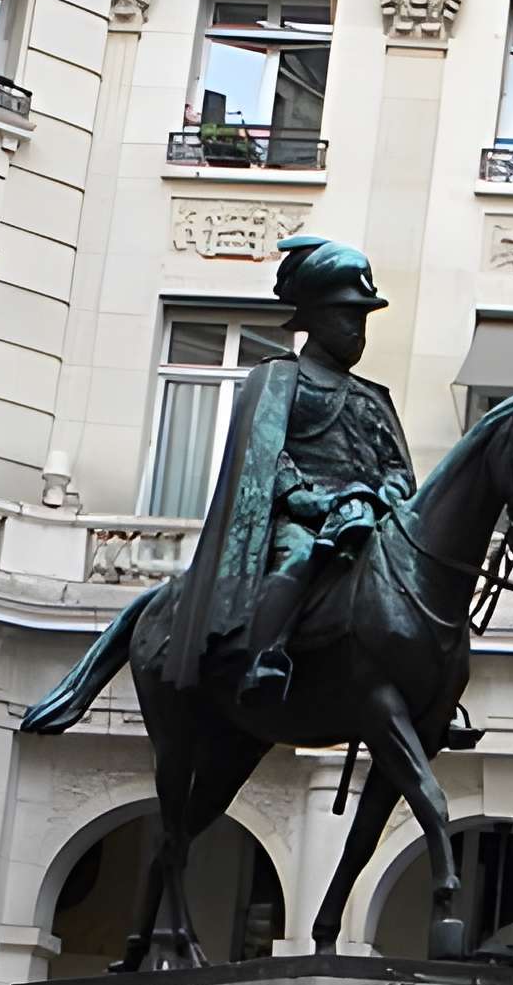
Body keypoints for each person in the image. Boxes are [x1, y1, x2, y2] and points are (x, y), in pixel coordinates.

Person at [166, 235, 417, 706]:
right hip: (303, 519)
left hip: (369, 520)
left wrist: (379, 496)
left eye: (362, 318)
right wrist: (310, 499)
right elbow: (266, 459)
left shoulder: (373, 397)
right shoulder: (280, 380)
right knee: (301, 555)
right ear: (316, 318)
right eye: (348, 316)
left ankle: (429, 688)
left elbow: (398, 470)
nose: (357, 330)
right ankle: (264, 655)